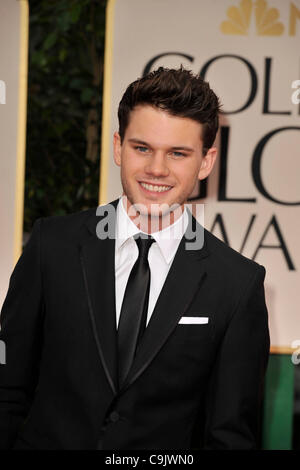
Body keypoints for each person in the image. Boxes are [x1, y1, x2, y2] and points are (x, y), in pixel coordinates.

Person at [0, 67, 270, 450]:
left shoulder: (237, 284)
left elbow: (228, 436)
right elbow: (7, 390)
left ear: (206, 161)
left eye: (178, 153)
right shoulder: (52, 247)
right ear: (117, 146)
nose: (156, 169)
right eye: (142, 148)